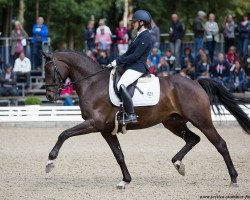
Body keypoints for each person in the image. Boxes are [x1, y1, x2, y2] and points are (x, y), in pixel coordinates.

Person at [107, 10, 152, 124]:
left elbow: (136, 56)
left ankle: (131, 115)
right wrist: (115, 61)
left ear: (141, 22)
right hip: (131, 66)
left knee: (121, 85)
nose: (133, 24)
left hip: (138, 67)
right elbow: (128, 53)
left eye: (135, 22)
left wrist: (118, 61)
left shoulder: (146, 36)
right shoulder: (138, 35)